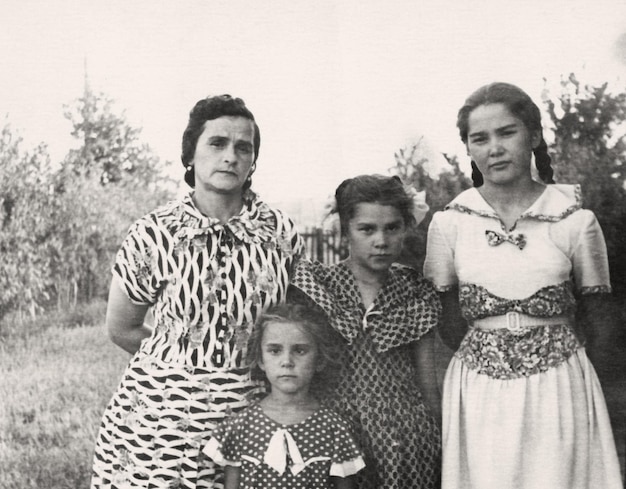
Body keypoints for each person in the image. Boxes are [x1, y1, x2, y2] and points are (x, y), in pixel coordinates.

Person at [91, 94, 305, 489]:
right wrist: (180, 371)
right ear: (190, 154)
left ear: (253, 161)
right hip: (163, 422)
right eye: (217, 143)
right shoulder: (155, 233)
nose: (231, 156)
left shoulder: (280, 234)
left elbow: (294, 326)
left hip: (255, 410)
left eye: (244, 147)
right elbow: (122, 328)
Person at [424, 82, 622, 488]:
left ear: (533, 136)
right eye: (480, 138)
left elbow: (601, 324)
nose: (494, 148)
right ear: (469, 149)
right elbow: (447, 322)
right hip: (480, 390)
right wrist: (492, 355)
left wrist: (569, 380)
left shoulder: (573, 220)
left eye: (507, 132)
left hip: (559, 388)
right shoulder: (450, 223)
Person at [289, 174, 442, 489]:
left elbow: (428, 383)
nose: (381, 241)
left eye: (392, 228)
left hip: (407, 438)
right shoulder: (321, 288)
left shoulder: (415, 292)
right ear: (346, 231)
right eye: (367, 229)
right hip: (337, 434)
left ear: (406, 227)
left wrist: (441, 435)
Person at [203, 304, 366, 488]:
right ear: (261, 360)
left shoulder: (334, 429)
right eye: (275, 351)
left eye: (300, 351)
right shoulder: (240, 426)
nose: (287, 361)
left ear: (319, 360)